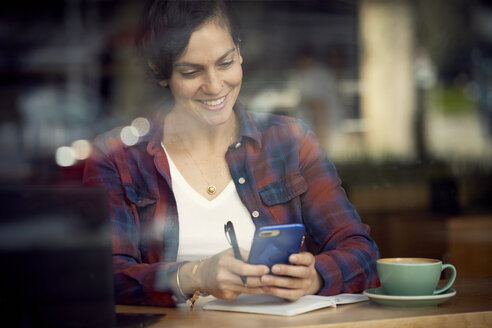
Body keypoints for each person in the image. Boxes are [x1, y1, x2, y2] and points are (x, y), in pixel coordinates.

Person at [83, 0, 379, 307]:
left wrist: (315, 277)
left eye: (225, 63)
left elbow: (363, 253)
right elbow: (105, 278)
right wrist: (194, 275)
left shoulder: (290, 141)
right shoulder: (116, 158)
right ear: (161, 71)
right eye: (191, 71)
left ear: (239, 52)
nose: (214, 86)